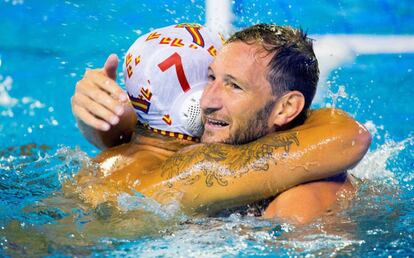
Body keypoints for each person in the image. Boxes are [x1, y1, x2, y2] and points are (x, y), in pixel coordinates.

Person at [70, 24, 371, 224]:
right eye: (210, 78)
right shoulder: (199, 166)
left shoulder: (303, 202)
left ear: (287, 108)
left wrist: (103, 124)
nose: (206, 100)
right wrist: (99, 120)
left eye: (234, 86)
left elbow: (350, 137)